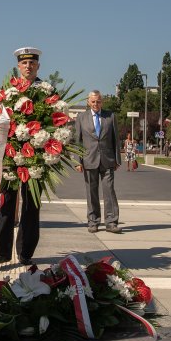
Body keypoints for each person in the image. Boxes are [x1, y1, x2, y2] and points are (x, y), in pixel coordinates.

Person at [0, 47, 44, 265]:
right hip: (11, 155)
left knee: (31, 205)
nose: (28, 66)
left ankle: (25, 253)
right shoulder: (8, 90)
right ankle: (1, 252)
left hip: (36, 157)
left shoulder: (46, 91)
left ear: (38, 66)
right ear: (18, 66)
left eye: (32, 63)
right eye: (24, 63)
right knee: (6, 202)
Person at [74, 90, 122, 234]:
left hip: (108, 160)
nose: (96, 104)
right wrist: (78, 161)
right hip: (89, 159)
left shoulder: (110, 116)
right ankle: (93, 221)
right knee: (91, 192)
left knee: (109, 191)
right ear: (88, 102)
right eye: (93, 101)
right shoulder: (81, 117)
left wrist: (117, 159)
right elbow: (78, 141)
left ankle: (111, 222)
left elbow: (115, 139)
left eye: (98, 101)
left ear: (102, 102)